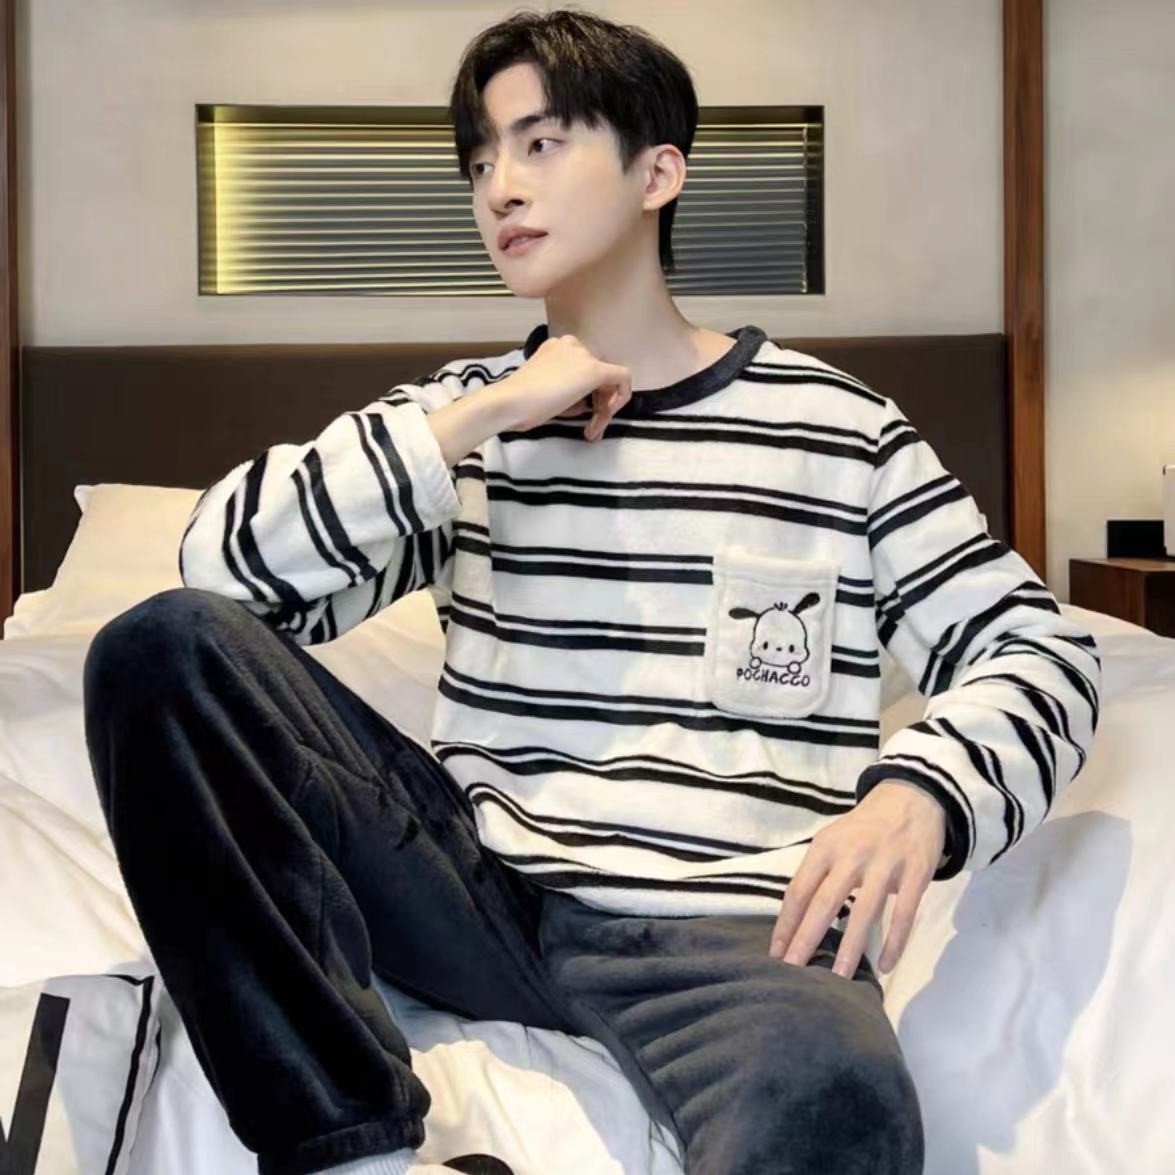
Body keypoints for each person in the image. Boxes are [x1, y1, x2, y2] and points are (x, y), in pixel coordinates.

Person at [82, 8, 1101, 1175]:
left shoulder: (837, 428)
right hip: (479, 894)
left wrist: (919, 790)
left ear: (656, 172)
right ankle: (351, 1153)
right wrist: (480, 413)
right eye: (479, 161)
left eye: (540, 143)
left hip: (733, 936)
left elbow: (1039, 650)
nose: (500, 187)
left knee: (840, 1097)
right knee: (159, 647)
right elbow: (218, 577)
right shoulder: (468, 421)